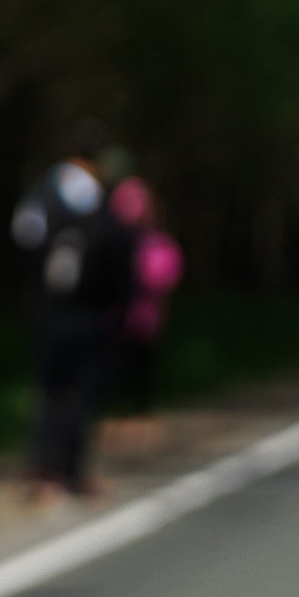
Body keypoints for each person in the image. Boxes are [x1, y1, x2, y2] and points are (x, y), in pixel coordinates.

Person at [10, 124, 132, 496]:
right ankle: (71, 473)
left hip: (46, 307)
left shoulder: (42, 191)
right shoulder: (97, 200)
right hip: (87, 309)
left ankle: (44, 471)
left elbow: (22, 238)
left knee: (49, 389)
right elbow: (116, 253)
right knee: (80, 392)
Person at [104, 176, 182, 444]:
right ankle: (117, 415)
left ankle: (142, 413)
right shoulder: (113, 240)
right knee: (117, 366)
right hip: (117, 317)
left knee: (142, 368)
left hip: (146, 317)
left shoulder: (154, 242)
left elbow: (166, 273)